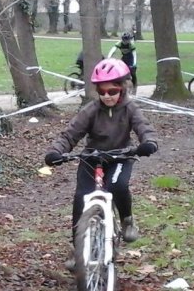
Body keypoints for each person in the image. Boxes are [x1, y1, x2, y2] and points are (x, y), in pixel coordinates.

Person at [44, 58, 158, 269]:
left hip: (120, 157)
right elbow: (70, 134)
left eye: (112, 91)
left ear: (123, 88)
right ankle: (78, 249)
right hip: (92, 158)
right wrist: (56, 151)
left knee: (117, 186)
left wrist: (149, 142)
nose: (107, 96)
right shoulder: (91, 110)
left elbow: (144, 127)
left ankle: (126, 220)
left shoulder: (130, 108)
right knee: (81, 199)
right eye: (102, 92)